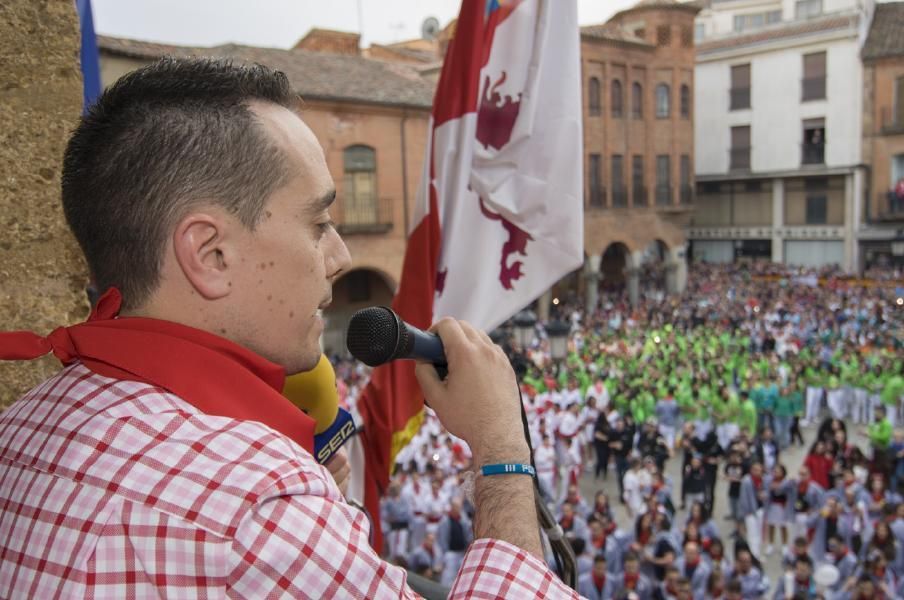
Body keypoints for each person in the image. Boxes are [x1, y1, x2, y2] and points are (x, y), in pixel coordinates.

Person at [0, 59, 579, 598]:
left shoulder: (19, 425)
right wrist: (502, 449)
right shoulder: (259, 504)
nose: (341, 255)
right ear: (210, 254)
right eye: (319, 222)